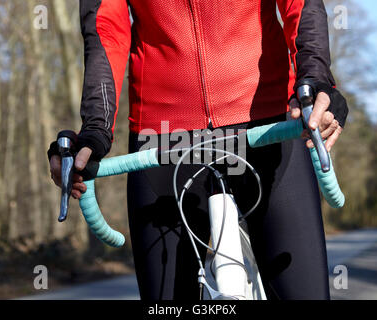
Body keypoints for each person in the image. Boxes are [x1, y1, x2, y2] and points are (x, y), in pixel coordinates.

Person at [48, 0, 348, 300]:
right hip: (163, 136)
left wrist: (317, 80)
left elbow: (300, 6)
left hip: (269, 124)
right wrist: (96, 129)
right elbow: (107, 30)